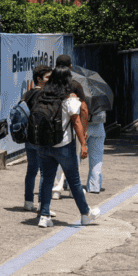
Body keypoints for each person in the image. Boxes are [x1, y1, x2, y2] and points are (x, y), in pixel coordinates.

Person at [32, 66, 100, 228]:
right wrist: (83, 144)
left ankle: (44, 216)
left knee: (47, 179)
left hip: (43, 145)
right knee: (74, 180)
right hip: (63, 145)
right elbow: (76, 122)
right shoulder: (69, 98)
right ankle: (85, 214)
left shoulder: (42, 95)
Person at [51, 55, 89, 200]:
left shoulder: (50, 85)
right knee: (74, 159)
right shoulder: (75, 85)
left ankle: (56, 190)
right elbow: (84, 109)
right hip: (71, 129)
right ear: (70, 66)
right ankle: (74, 189)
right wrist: (84, 130)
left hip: (53, 129)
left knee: (55, 160)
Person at [21, 65, 54, 215]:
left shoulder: (27, 94)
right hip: (41, 138)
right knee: (45, 171)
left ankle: (28, 202)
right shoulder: (44, 95)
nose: (50, 80)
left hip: (29, 137)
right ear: (39, 79)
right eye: (48, 77)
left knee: (31, 170)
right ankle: (42, 203)